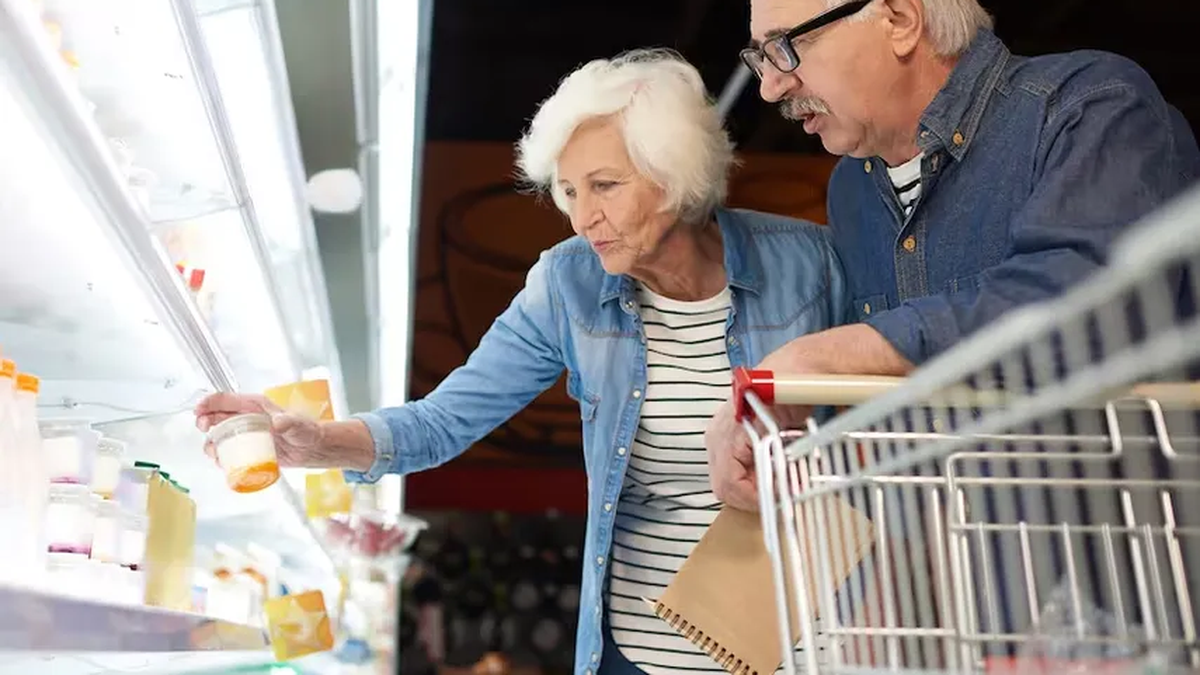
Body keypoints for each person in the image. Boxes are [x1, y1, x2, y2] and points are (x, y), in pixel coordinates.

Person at [194, 50, 847, 674]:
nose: (582, 218)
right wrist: (318, 442)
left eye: (605, 186)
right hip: (641, 652)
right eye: (567, 192)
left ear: (674, 176)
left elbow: (893, 410)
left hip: (806, 642)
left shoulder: (810, 265)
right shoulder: (568, 285)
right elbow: (444, 419)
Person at [706, 0, 1200, 511]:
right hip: (962, 571)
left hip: (1130, 560)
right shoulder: (851, 190)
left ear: (899, 20)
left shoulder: (1088, 106)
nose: (770, 87)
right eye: (760, 57)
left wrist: (832, 354)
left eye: (787, 46)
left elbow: (1085, 307)